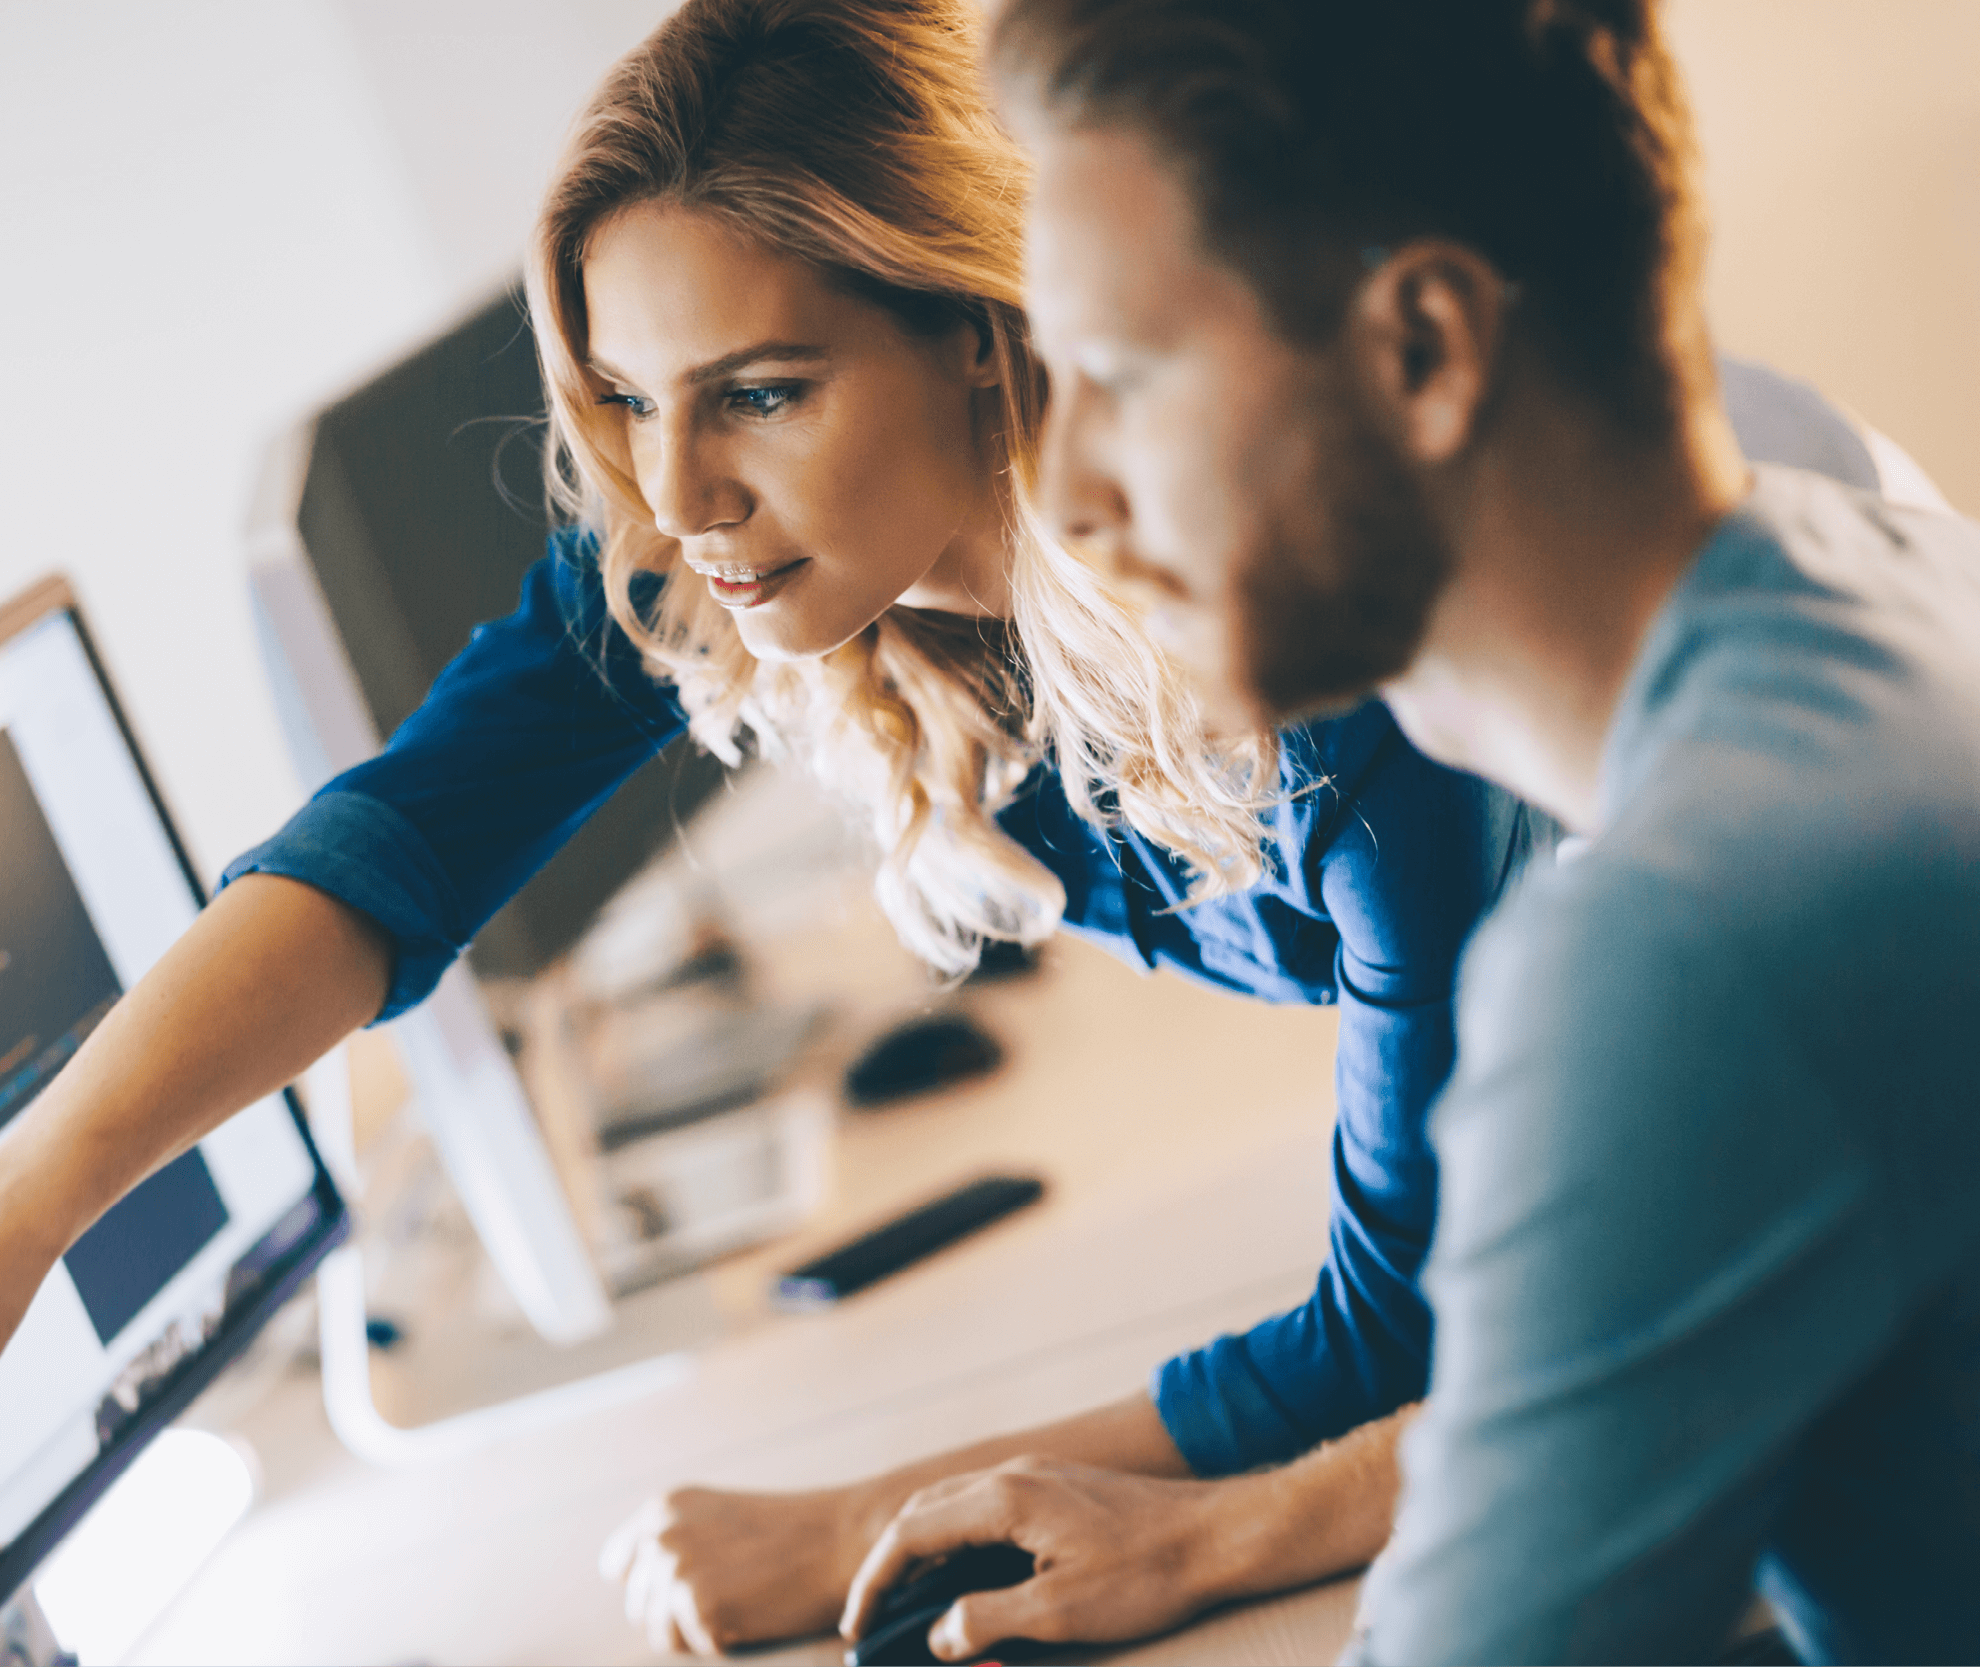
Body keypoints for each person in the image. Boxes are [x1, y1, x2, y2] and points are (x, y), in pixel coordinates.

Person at [0, 2, 1939, 1657]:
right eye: (622, 406)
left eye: (761, 396)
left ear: (995, 335)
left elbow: (1456, 1325)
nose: (675, 500)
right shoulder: (839, 540)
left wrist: (918, 1534)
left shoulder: (1398, 649)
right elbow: (397, 839)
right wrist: (4, 1224)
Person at [834, 0, 1979, 1661]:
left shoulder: (1681, 948)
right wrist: (1228, 1532)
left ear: (1424, 347)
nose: (1061, 492)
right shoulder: (1877, 577)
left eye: (1122, 378)